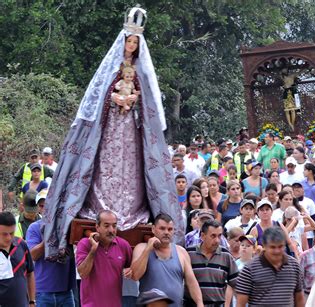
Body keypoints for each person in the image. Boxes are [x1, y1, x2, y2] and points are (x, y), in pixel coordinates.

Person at [45, 8, 183, 260]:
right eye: (128, 42)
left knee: (131, 166)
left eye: (135, 43)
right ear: (123, 43)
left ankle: (131, 208)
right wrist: (115, 97)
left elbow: (149, 103)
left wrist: (134, 99)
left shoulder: (141, 71)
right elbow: (98, 99)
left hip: (131, 127)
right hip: (110, 128)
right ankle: (100, 208)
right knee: (105, 163)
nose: (131, 47)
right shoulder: (110, 69)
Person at [131, 213, 204, 307]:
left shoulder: (181, 252)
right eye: (162, 228)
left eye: (170, 229)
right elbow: (135, 276)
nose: (166, 232)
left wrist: (199, 303)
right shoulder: (141, 248)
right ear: (153, 229)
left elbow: (191, 282)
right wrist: (148, 249)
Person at [235, 227, 305, 307]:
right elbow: (240, 304)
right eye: (272, 247)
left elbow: (299, 299)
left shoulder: (294, 266)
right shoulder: (249, 270)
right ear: (264, 246)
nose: (277, 251)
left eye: (280, 246)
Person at [76, 210, 132, 307]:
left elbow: (132, 269)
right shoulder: (84, 244)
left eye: (114, 226)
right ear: (97, 227)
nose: (111, 230)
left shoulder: (123, 245)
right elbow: (83, 273)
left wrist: (130, 270)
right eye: (106, 226)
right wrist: (93, 249)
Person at [26, 205, 77, 307]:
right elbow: (32, 256)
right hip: (42, 292)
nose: (47, 207)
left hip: (66, 291)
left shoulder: (69, 226)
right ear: (39, 209)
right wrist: (50, 237)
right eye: (42, 205)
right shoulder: (35, 227)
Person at [185, 220, 239, 306]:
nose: (217, 240)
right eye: (213, 236)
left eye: (219, 236)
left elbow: (236, 284)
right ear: (203, 236)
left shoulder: (226, 255)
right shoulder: (189, 254)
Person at [0, 211, 35, 307]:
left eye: (11, 233)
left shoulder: (21, 244)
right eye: (4, 234)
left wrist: (32, 301)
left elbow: (30, 273)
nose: (8, 238)